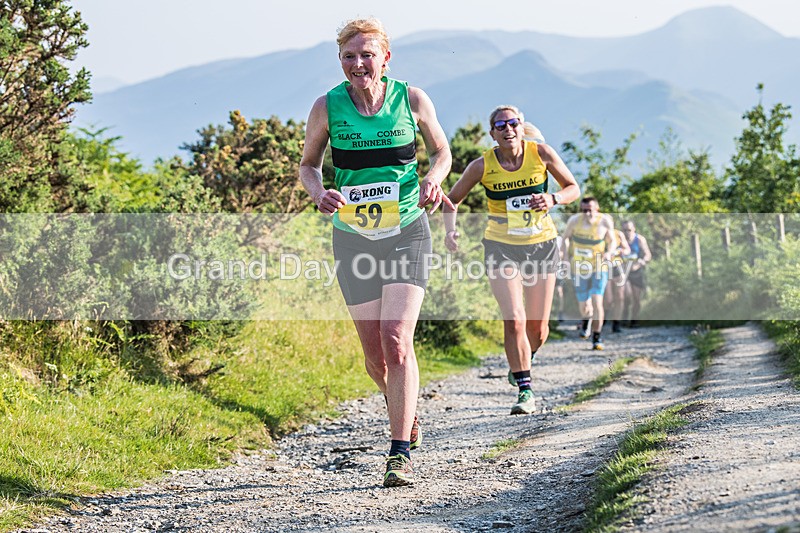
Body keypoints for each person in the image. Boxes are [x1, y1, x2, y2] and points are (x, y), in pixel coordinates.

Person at [299, 17, 453, 488]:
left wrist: (432, 179)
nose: (358, 63)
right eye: (350, 56)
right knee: (374, 359)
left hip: (407, 230)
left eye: (367, 54)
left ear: (386, 58)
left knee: (395, 339)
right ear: (340, 61)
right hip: (352, 237)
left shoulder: (412, 99)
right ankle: (406, 413)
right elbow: (308, 166)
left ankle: (398, 451)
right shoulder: (327, 106)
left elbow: (442, 151)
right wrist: (319, 193)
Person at [443, 105, 580, 415]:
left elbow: (573, 188)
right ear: (492, 134)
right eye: (500, 125)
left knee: (538, 330)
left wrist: (553, 198)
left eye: (513, 123)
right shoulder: (482, 165)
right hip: (501, 245)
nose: (508, 129)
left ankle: (521, 359)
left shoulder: (541, 154)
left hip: (541, 243)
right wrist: (450, 232)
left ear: (522, 126)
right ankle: (524, 388)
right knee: (514, 319)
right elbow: (451, 200)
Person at [562, 197, 617, 350]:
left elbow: (612, 240)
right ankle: (586, 320)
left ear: (597, 208)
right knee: (584, 305)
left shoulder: (605, 221)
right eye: (584, 210)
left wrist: (609, 253)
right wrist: (566, 258)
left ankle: (597, 337)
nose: (587, 213)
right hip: (579, 267)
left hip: (599, 266)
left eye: (590, 210)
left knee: (597, 300)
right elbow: (565, 239)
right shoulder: (574, 221)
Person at [621, 219, 652, 327]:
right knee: (626, 295)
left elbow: (648, 254)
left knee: (637, 298)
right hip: (623, 273)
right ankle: (624, 317)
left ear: (634, 229)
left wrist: (642, 261)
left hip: (636, 271)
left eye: (629, 230)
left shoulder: (639, 239)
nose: (627, 232)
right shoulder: (619, 240)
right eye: (624, 230)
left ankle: (634, 320)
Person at [605, 225, 631, 333]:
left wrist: (620, 251)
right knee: (608, 299)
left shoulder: (618, 234)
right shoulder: (597, 233)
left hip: (617, 266)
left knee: (620, 296)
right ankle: (602, 318)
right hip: (602, 266)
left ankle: (616, 323)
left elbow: (627, 250)